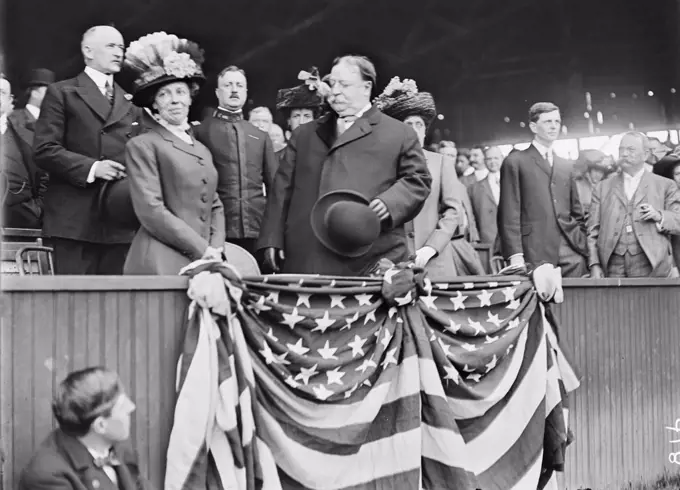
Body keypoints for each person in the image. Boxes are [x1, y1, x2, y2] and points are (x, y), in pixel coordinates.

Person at [257, 54, 431, 275]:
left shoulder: (400, 133)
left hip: (371, 256)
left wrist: (390, 202)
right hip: (308, 255)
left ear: (366, 87)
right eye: (332, 83)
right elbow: (281, 190)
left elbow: (419, 180)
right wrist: (272, 238)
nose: (335, 90)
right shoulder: (304, 135)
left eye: (345, 84)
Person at [33, 25, 146, 274]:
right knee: (74, 307)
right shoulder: (62, 92)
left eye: (121, 47)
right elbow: (44, 149)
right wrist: (94, 167)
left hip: (117, 222)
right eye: (111, 46)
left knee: (113, 308)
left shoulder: (130, 102)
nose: (119, 52)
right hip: (73, 221)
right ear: (88, 50)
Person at [122, 32, 225, 275]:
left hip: (206, 261)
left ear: (191, 97)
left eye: (180, 92)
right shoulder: (143, 145)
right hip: (160, 260)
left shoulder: (200, 148)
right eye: (164, 94)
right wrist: (202, 249)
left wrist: (217, 248)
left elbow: (215, 204)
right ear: (154, 104)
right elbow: (151, 210)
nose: (174, 100)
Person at [375, 77, 462, 278]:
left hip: (435, 262)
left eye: (419, 124)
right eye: (408, 124)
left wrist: (431, 247)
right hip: (394, 263)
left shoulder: (441, 163)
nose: (415, 129)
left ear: (425, 131)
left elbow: (453, 211)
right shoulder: (385, 164)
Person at [194, 66, 277, 257]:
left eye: (239, 85)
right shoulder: (201, 132)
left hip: (257, 230)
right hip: (215, 230)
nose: (234, 90)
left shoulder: (260, 136)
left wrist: (272, 236)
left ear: (246, 92)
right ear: (217, 92)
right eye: (228, 85)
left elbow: (274, 189)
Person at [497, 102, 588, 277]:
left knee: (576, 302)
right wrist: (515, 255)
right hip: (533, 250)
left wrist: (581, 241)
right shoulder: (515, 161)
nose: (554, 126)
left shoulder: (565, 165)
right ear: (533, 126)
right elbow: (509, 213)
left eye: (557, 121)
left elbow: (577, 212)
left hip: (571, 249)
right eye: (547, 122)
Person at [18, 367, 145, 490]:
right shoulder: (47, 475)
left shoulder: (119, 451)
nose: (131, 407)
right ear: (101, 426)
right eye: (122, 407)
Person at [588, 132, 680, 278]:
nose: (624, 154)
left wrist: (659, 216)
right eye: (621, 149)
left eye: (631, 149)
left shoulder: (665, 185)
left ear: (645, 154)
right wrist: (594, 264)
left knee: (650, 301)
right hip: (612, 266)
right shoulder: (602, 188)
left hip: (653, 265)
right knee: (614, 301)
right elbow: (593, 231)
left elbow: (678, 221)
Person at [3, 69, 54, 228]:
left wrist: (36, 210)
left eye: (0, 92)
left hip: (22, 221)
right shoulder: (17, 118)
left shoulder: (28, 135)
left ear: (8, 99)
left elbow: (44, 176)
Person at [275, 67, 328, 159]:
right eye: (296, 116)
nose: (301, 122)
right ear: (289, 121)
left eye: (307, 116)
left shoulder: (325, 156)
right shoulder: (276, 158)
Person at [468, 146, 503, 245]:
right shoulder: (474, 189)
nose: (493, 162)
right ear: (484, 161)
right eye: (489, 159)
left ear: (502, 158)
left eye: (496, 158)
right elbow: (471, 217)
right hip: (488, 241)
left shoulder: (514, 183)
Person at [573, 149, 611, 216]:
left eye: (601, 172)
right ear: (589, 170)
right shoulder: (578, 185)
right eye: (596, 170)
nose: (598, 175)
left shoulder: (604, 187)